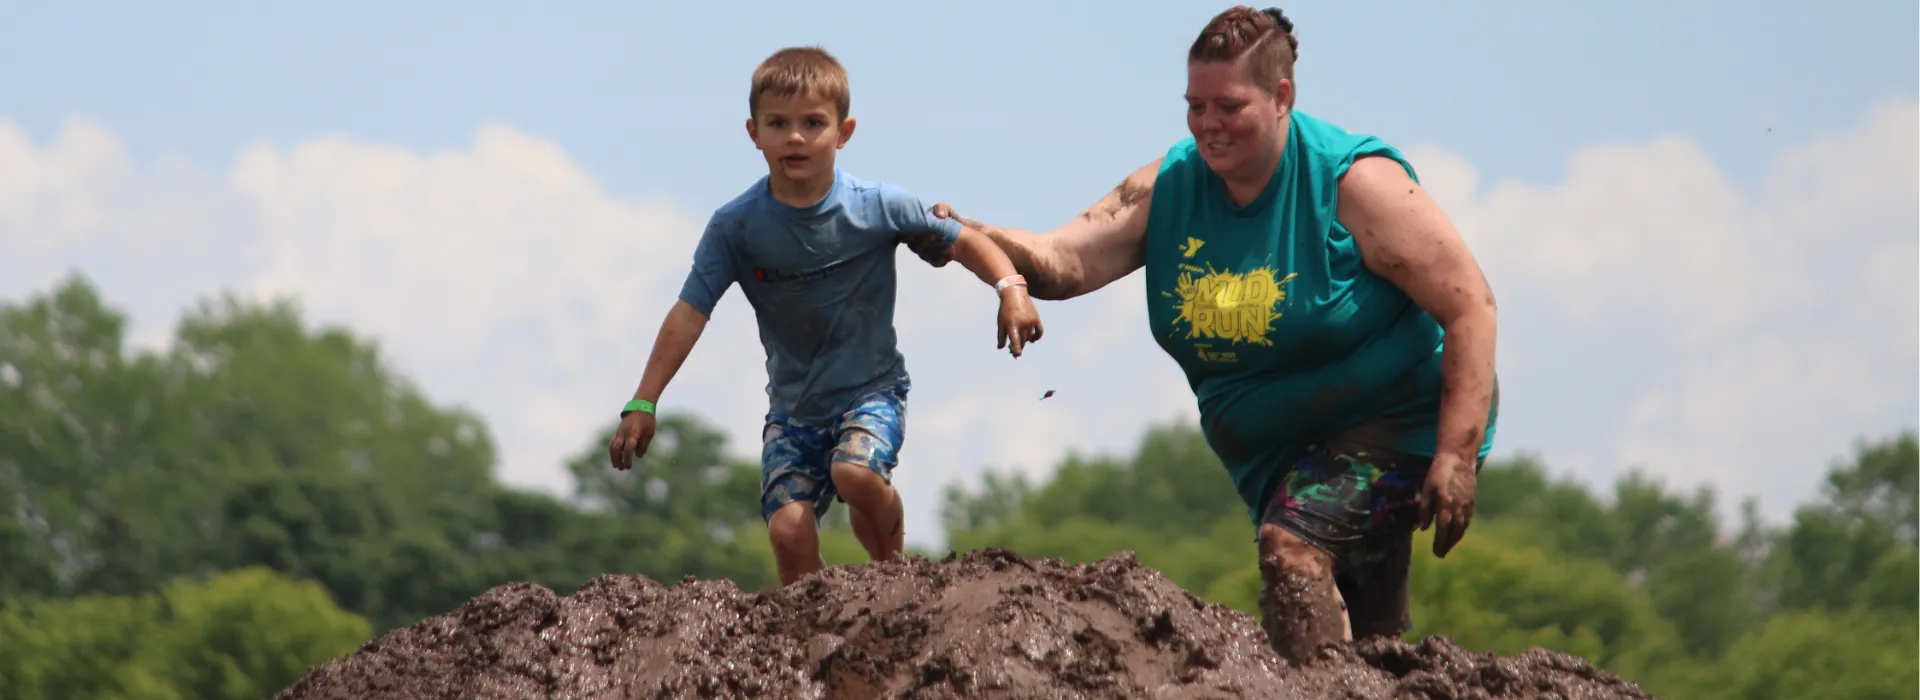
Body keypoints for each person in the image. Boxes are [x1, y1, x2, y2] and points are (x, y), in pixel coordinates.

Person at [911, 6, 1499, 662]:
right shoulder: (1171, 185)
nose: (1209, 126)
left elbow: (1470, 305)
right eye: (1195, 106)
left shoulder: (1352, 183)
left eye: (1229, 106)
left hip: (1402, 418)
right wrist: (968, 235)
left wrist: (1455, 455)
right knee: (1363, 641)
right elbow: (1063, 260)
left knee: (1293, 549)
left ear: (1282, 97)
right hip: (1282, 451)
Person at [607, 46, 1046, 587]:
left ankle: (894, 581)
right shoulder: (735, 228)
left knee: (856, 472)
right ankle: (816, 630)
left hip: (872, 391)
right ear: (754, 133)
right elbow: (689, 312)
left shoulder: (877, 205)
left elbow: (965, 242)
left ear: (844, 131)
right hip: (793, 412)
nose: (795, 137)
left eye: (813, 123)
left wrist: (1011, 290)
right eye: (779, 123)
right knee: (788, 534)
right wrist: (644, 400)